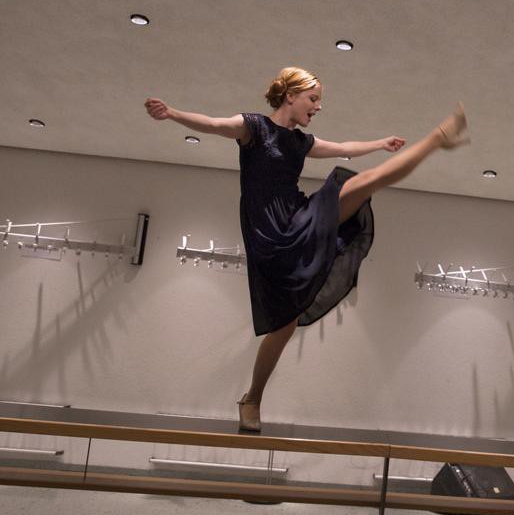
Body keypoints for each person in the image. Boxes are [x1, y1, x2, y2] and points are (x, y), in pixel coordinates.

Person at [145, 67, 469, 432]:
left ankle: (436, 140)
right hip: (269, 235)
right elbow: (213, 124)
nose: (317, 107)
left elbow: (344, 148)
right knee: (283, 327)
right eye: (313, 99)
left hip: (300, 218)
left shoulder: (301, 142)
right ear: (291, 96)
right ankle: (252, 397)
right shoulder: (254, 127)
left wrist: (379, 144)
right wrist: (172, 114)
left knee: (367, 181)